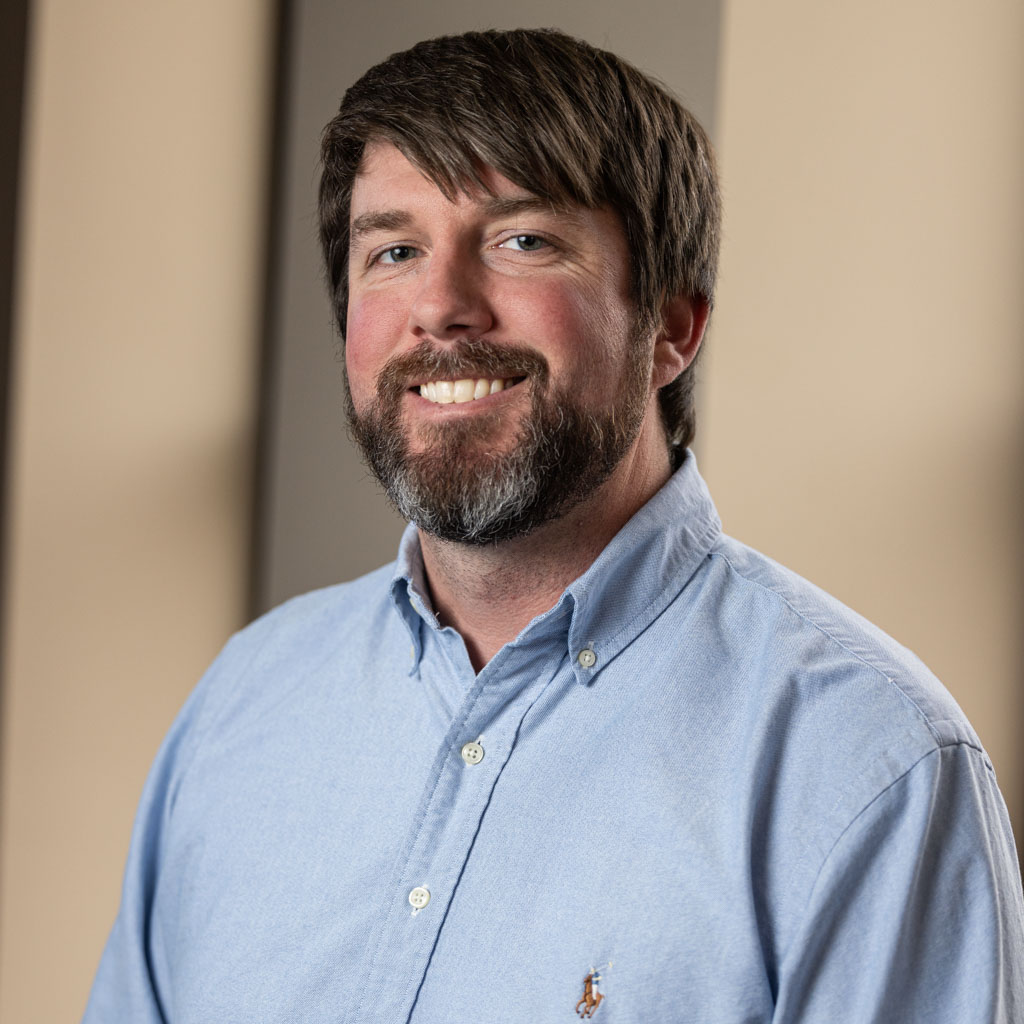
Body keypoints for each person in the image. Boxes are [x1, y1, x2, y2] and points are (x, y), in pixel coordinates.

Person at [85, 28, 1023, 1023]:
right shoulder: (243, 707)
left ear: (670, 325)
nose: (441, 307)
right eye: (393, 252)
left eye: (521, 240)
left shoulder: (866, 764)